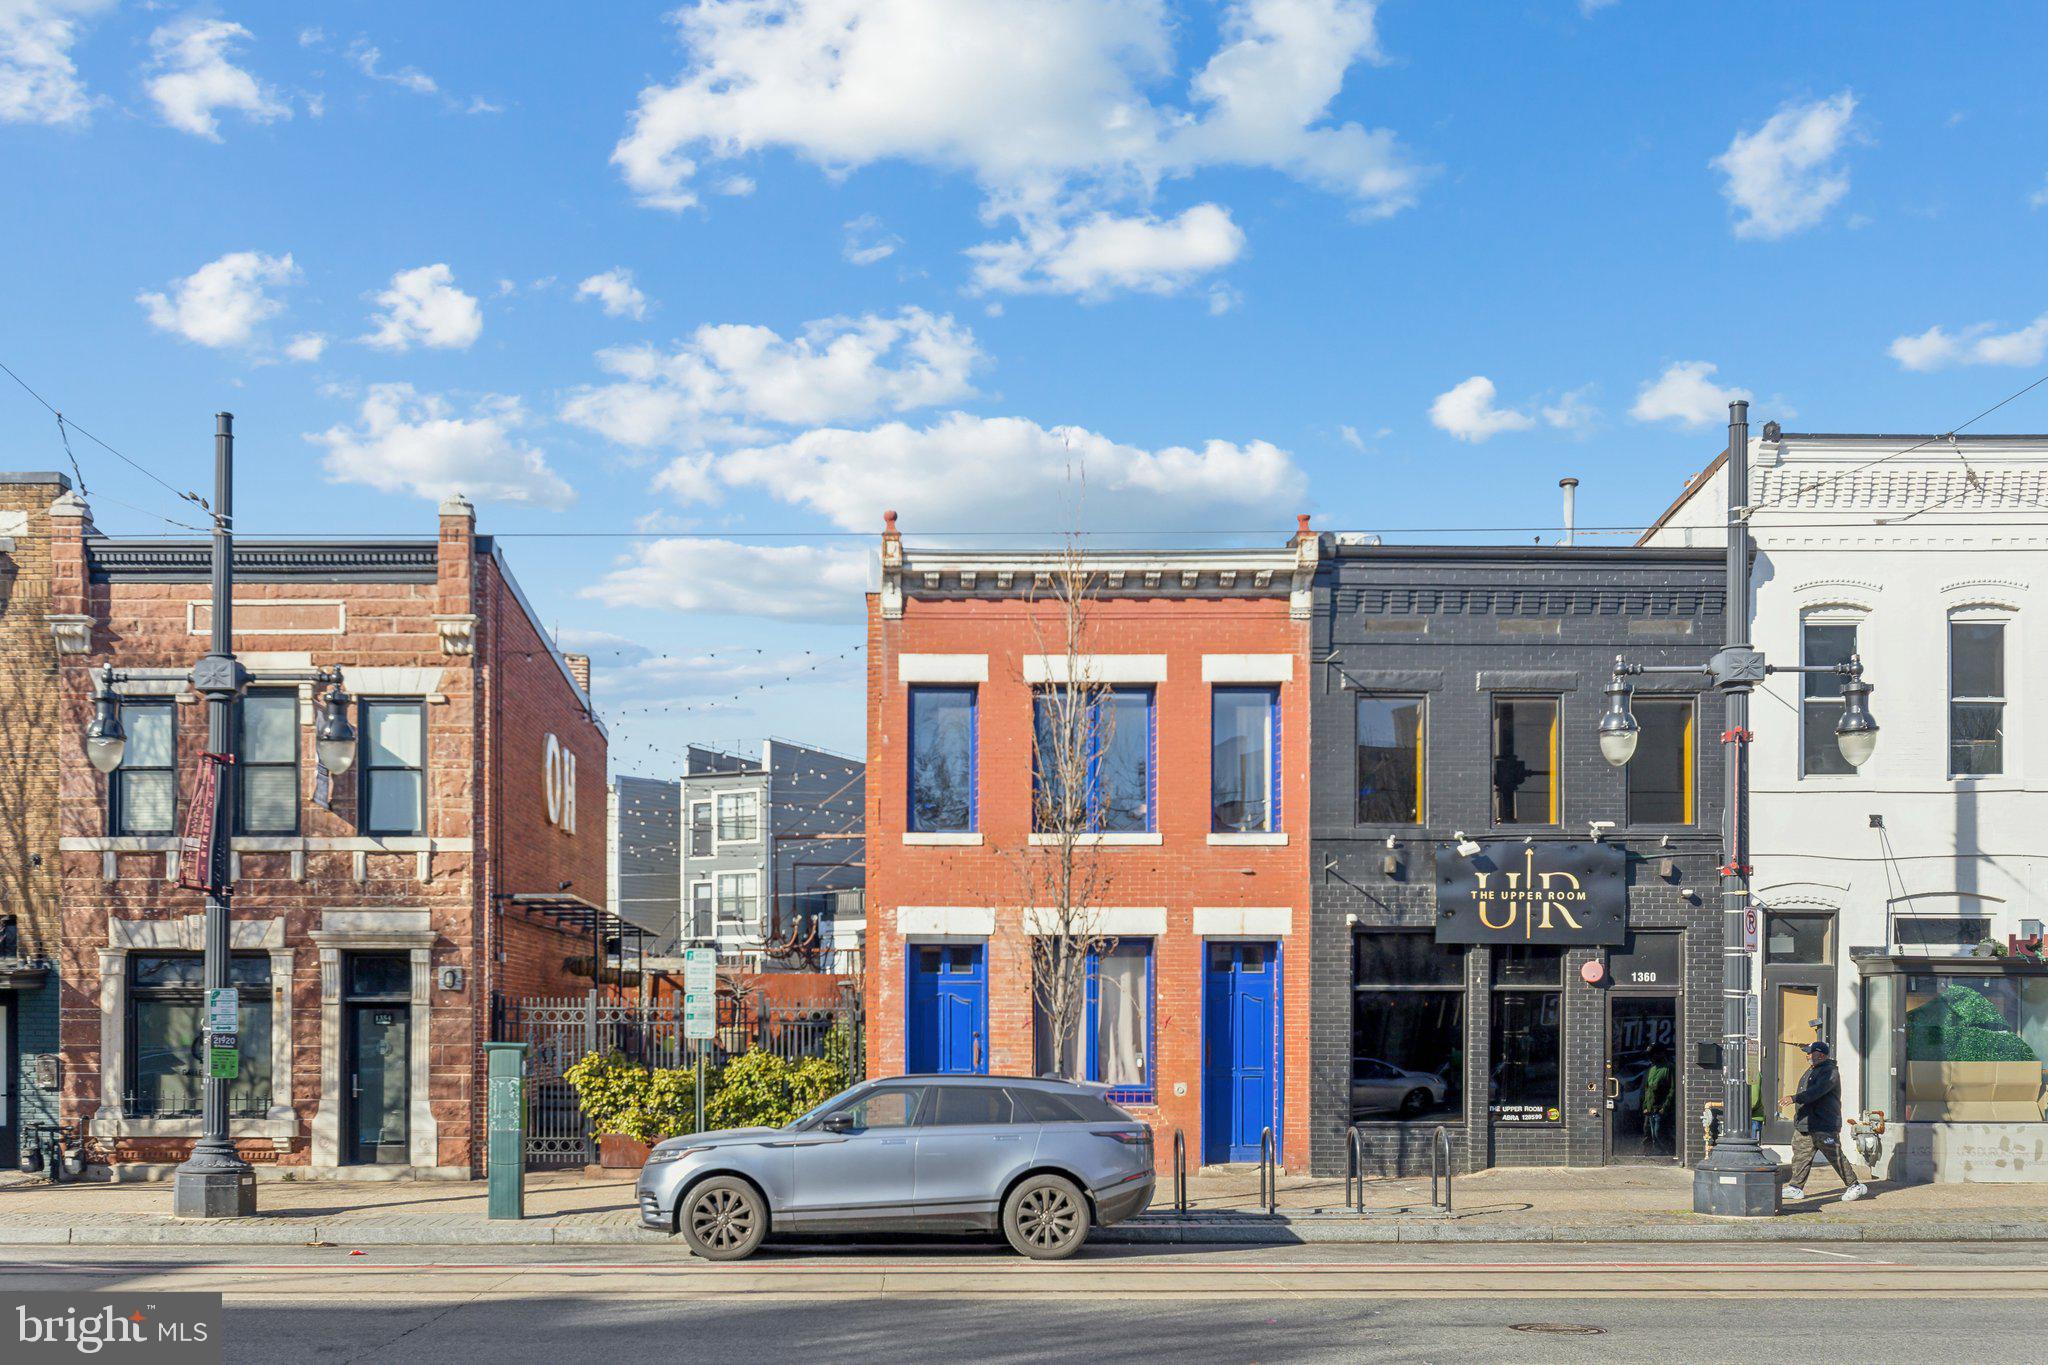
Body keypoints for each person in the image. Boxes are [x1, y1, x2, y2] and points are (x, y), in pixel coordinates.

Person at [1781, 1039, 1868, 1202]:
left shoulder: (1829, 1072)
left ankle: (1854, 1185)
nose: (1807, 1056)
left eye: (1810, 1053)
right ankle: (1795, 1187)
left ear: (1820, 1055)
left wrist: (1794, 1098)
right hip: (1806, 1124)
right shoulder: (1812, 1070)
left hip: (1823, 1124)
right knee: (1800, 1154)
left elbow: (1816, 1092)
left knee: (1834, 1155)